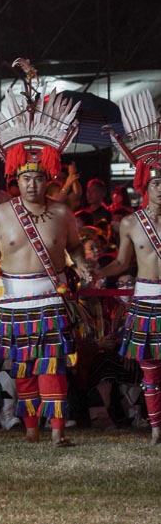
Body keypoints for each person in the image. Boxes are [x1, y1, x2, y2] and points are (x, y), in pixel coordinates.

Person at [0, 60, 85, 447]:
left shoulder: (62, 213)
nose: (31, 183)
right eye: (24, 177)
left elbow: (73, 250)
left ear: (47, 179)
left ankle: (56, 431)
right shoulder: (2, 213)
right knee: (22, 369)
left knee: (52, 367)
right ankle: (32, 429)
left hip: (50, 297)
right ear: (15, 180)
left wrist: (84, 265)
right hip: (13, 300)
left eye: (37, 177)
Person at [100, 90, 161, 444]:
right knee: (150, 370)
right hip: (146, 299)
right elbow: (123, 262)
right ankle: (155, 429)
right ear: (144, 186)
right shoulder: (130, 223)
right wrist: (97, 271)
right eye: (155, 182)